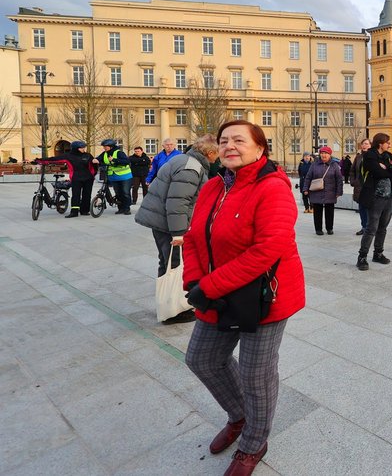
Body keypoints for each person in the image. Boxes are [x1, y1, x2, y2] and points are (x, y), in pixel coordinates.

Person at [182, 120, 305, 475]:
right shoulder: (214, 186)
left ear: (259, 149)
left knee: (256, 373)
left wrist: (210, 286)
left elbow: (269, 249)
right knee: (202, 359)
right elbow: (193, 236)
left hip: (265, 296)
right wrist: (194, 279)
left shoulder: (273, 188)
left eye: (239, 140)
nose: (229, 146)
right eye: (224, 141)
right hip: (217, 292)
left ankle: (254, 442)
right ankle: (239, 417)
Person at [135, 135, 218, 324]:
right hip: (168, 223)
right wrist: (178, 233)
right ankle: (174, 311)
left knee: (168, 263)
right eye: (217, 154)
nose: (217, 159)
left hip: (163, 220)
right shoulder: (191, 167)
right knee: (174, 264)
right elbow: (178, 203)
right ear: (210, 152)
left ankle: (168, 304)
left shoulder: (186, 160)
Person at [356, 133, 392, 270]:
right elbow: (377, 172)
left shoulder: (387, 156)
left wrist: (387, 168)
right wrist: (390, 169)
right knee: (371, 228)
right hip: (374, 198)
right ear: (380, 143)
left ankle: (378, 253)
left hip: (388, 197)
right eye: (387, 142)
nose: (389, 144)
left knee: (383, 228)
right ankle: (362, 257)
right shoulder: (369, 155)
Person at [38, 141, 96, 216]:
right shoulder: (68, 156)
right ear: (76, 148)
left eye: (84, 147)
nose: (83, 149)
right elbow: (55, 159)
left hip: (88, 179)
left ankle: (84, 211)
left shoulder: (88, 155)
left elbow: (94, 165)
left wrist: (93, 174)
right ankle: (74, 212)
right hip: (76, 178)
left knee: (87, 195)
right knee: (76, 195)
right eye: (81, 148)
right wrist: (40, 160)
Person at [302, 146, 344, 235]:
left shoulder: (334, 165)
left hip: (330, 191)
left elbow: (339, 179)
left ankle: (329, 228)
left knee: (329, 211)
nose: (324, 155)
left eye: (326, 153)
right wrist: (305, 188)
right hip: (316, 191)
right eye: (322, 153)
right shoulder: (314, 164)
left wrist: (339, 191)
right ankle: (318, 229)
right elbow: (308, 177)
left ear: (330, 155)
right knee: (317, 211)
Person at [94, 139, 132, 215]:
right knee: (118, 193)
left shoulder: (119, 153)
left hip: (125, 176)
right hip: (113, 176)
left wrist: (114, 160)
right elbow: (99, 159)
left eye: (106, 146)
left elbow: (127, 161)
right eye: (104, 146)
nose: (104, 148)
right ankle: (120, 208)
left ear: (111, 147)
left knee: (125, 192)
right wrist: (96, 160)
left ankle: (127, 208)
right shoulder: (104, 154)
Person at [350, 138, 371, 235]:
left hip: (370, 187)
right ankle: (364, 227)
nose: (365, 146)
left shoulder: (373, 157)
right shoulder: (358, 157)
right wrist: (354, 181)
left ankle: (370, 227)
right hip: (359, 187)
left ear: (371, 145)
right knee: (362, 208)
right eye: (363, 144)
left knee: (370, 209)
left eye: (367, 144)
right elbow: (353, 170)